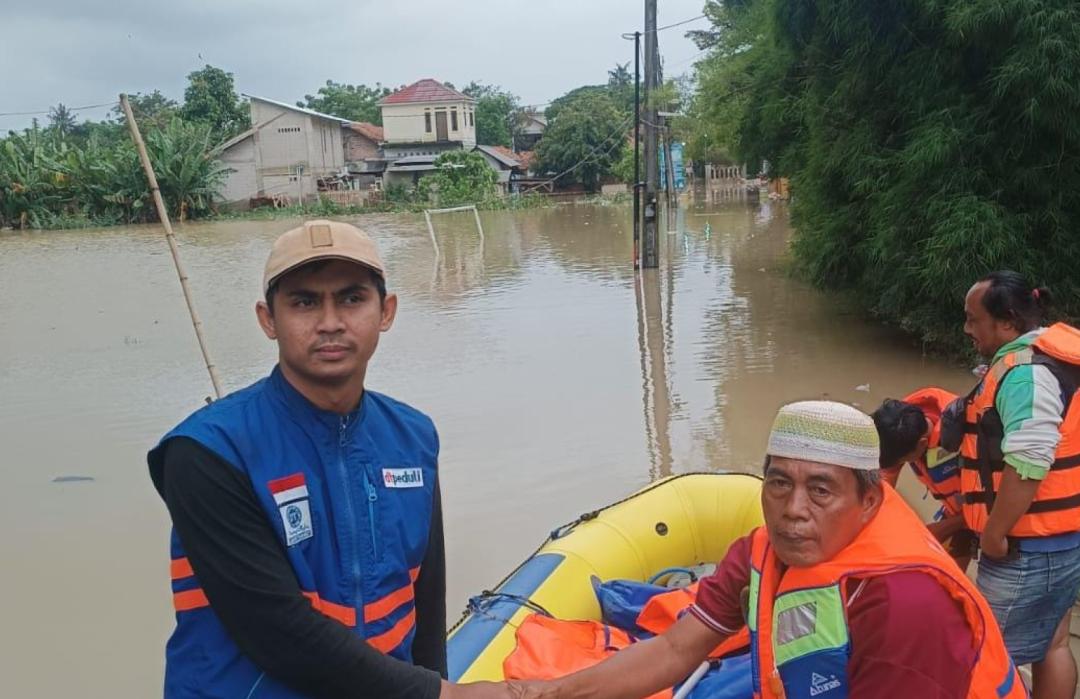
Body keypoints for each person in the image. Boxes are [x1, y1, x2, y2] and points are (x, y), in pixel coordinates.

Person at [147, 221, 502, 699]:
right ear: (268, 319)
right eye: (304, 301)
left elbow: (426, 603)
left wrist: (435, 685)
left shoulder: (413, 437)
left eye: (352, 298)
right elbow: (278, 632)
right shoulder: (208, 452)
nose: (330, 321)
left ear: (386, 311)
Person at [504, 401, 1024, 699]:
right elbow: (673, 650)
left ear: (869, 500)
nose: (793, 508)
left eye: (821, 490)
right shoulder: (763, 552)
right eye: (778, 484)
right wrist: (545, 694)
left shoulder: (905, 602)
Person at [960, 270, 1080, 699]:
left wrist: (994, 533)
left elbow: (1030, 463)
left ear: (1007, 321)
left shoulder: (1026, 373)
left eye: (974, 320)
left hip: (1023, 549)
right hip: (1062, 540)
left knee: (984, 654)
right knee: (1054, 643)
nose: (967, 329)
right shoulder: (1060, 358)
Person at [873, 389, 974, 566]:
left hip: (1001, 513)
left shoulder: (971, 433)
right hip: (958, 510)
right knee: (941, 571)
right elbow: (884, 487)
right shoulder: (898, 427)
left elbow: (999, 500)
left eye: (903, 460)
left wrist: (931, 532)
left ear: (922, 444)